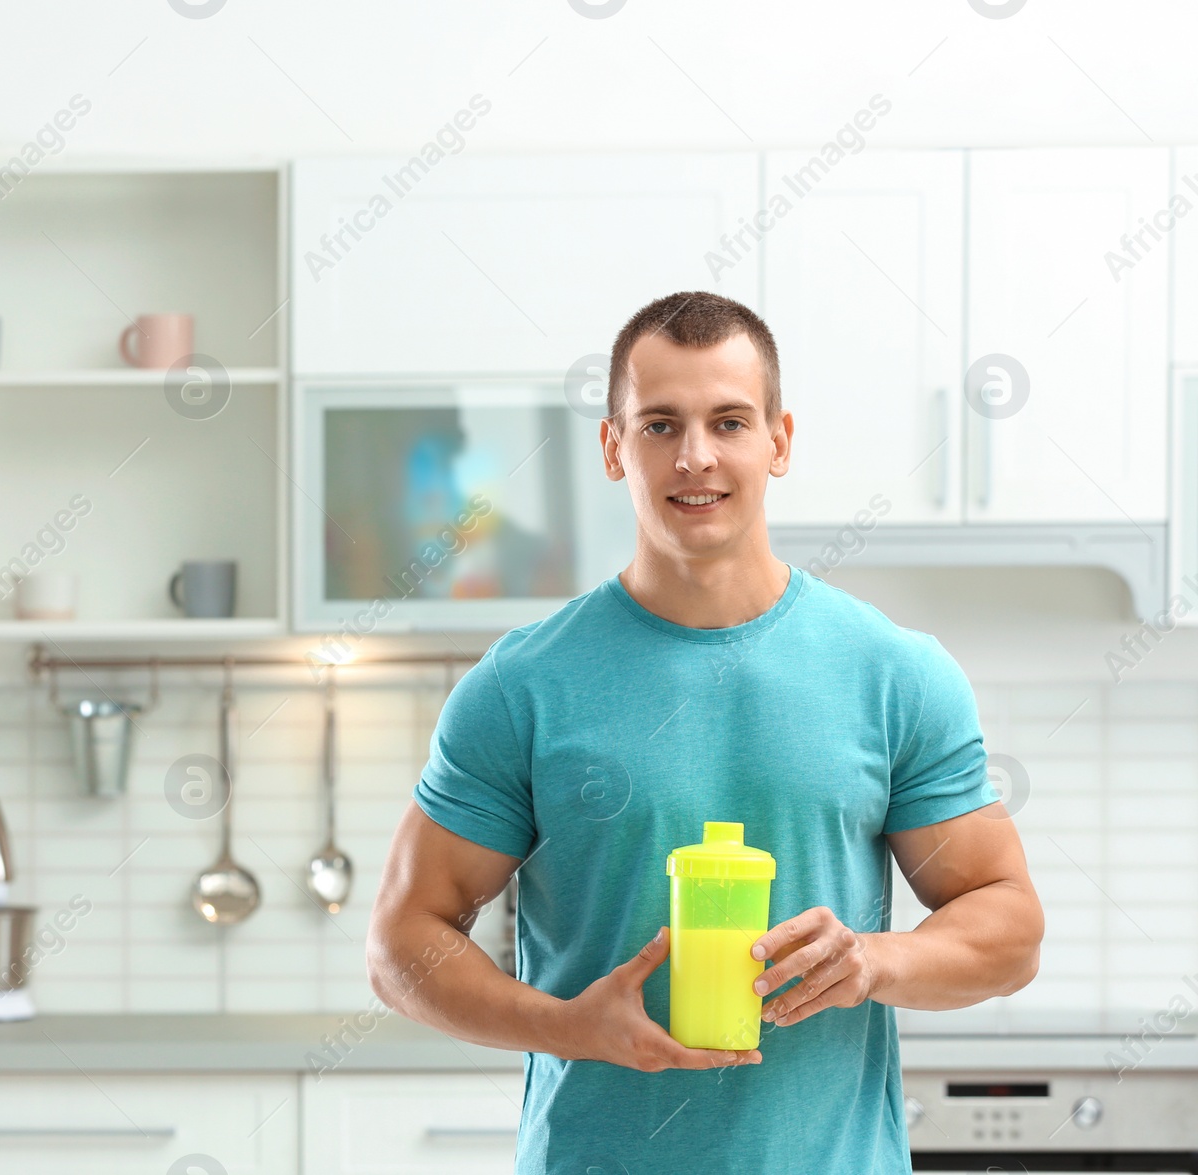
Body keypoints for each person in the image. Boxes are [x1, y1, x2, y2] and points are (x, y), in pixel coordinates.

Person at [366, 291, 1046, 1174]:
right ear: (614, 448)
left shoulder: (895, 674)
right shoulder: (520, 685)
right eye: (659, 424)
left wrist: (871, 961)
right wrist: (566, 1025)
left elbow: (1009, 924)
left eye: (729, 421)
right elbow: (401, 943)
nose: (696, 456)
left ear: (780, 440)